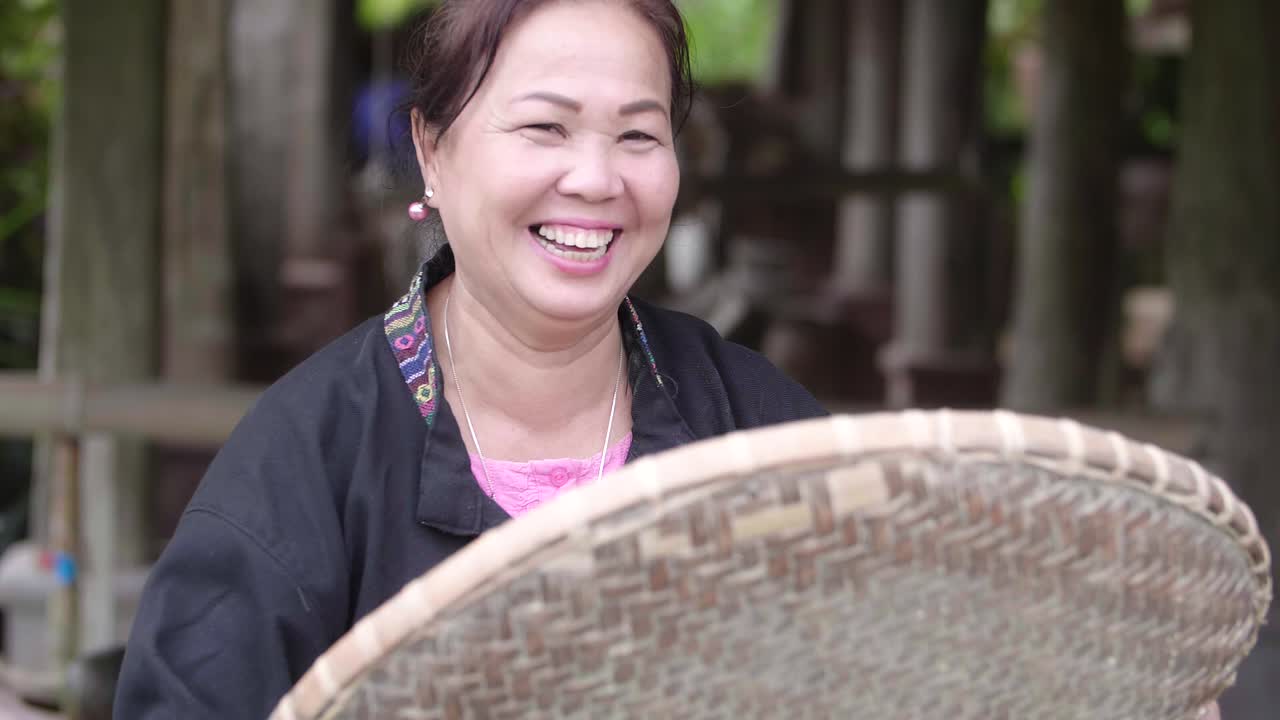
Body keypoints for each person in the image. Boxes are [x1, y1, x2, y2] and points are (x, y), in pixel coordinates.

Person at [114, 1, 824, 717]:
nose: (596, 179)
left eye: (638, 134)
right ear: (432, 149)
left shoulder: (757, 428)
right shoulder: (302, 466)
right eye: (545, 127)